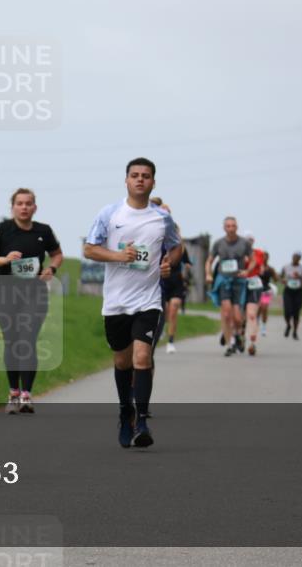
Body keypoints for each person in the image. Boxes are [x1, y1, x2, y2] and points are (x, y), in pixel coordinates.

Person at [83, 158, 182, 449]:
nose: (140, 180)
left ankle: (141, 420)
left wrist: (168, 262)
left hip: (148, 301)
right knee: (122, 361)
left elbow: (177, 247)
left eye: (146, 176)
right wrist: (117, 256)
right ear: (126, 180)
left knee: (142, 358)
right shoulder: (110, 213)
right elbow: (89, 249)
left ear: (153, 182)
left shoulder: (162, 217)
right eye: (135, 175)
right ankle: (125, 411)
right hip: (115, 302)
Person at [0, 189, 64, 414]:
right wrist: (5, 259)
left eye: (28, 203)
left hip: (35, 294)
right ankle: (13, 392)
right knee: (12, 342)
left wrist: (51, 267)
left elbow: (57, 254)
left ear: (35, 207)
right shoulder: (1, 230)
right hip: (7, 294)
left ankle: (26, 395)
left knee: (28, 340)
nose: (24, 207)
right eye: (19, 203)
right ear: (12, 207)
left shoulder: (44, 231)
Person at [206, 217, 255, 357]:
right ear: (224, 228)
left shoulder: (244, 243)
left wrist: (247, 271)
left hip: (238, 281)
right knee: (226, 314)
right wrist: (208, 274)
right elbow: (209, 261)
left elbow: (252, 261)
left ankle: (238, 334)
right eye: (228, 226)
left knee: (238, 317)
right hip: (223, 280)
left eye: (233, 226)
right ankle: (229, 344)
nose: (231, 228)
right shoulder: (218, 243)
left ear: (237, 227)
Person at [154, 203, 190, 354]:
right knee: (166, 310)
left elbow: (186, 262)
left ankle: (170, 341)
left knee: (173, 309)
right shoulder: (154, 234)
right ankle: (162, 328)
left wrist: (186, 277)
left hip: (176, 279)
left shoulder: (176, 237)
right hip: (161, 280)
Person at [241, 231, 266, 356]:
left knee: (251, 315)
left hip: (254, 283)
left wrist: (258, 267)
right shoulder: (237, 252)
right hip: (240, 283)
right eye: (247, 240)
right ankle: (240, 337)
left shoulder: (258, 253)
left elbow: (258, 265)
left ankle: (252, 343)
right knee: (239, 315)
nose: (249, 242)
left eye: (251, 240)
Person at [280, 252, 302, 340]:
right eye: (294, 257)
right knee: (287, 311)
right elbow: (280, 277)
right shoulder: (286, 267)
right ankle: (288, 325)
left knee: (296, 312)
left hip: (298, 291)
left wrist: (300, 276)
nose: (295, 259)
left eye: (297, 258)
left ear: (300, 259)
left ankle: (295, 332)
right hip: (288, 291)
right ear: (292, 257)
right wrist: (283, 281)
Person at [257, 252, 279, 337]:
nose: (264, 258)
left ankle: (263, 327)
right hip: (257, 290)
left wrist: (276, 276)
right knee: (258, 308)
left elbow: (276, 279)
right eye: (263, 257)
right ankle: (257, 321)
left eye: (266, 257)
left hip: (266, 290)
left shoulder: (270, 269)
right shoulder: (257, 267)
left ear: (268, 258)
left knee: (264, 308)